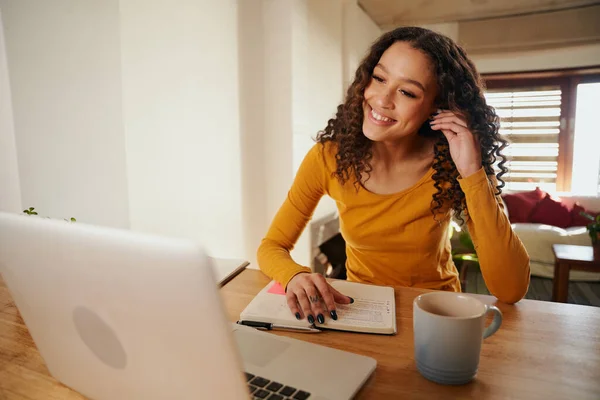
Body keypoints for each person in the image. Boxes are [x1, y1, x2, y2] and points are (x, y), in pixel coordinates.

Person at [257, 27, 530, 326]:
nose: (382, 99)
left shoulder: (455, 163)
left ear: (435, 108)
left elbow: (511, 288)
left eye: (407, 92)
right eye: (379, 78)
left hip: (437, 314)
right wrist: (295, 275)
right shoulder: (328, 158)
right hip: (361, 312)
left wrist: (473, 173)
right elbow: (272, 246)